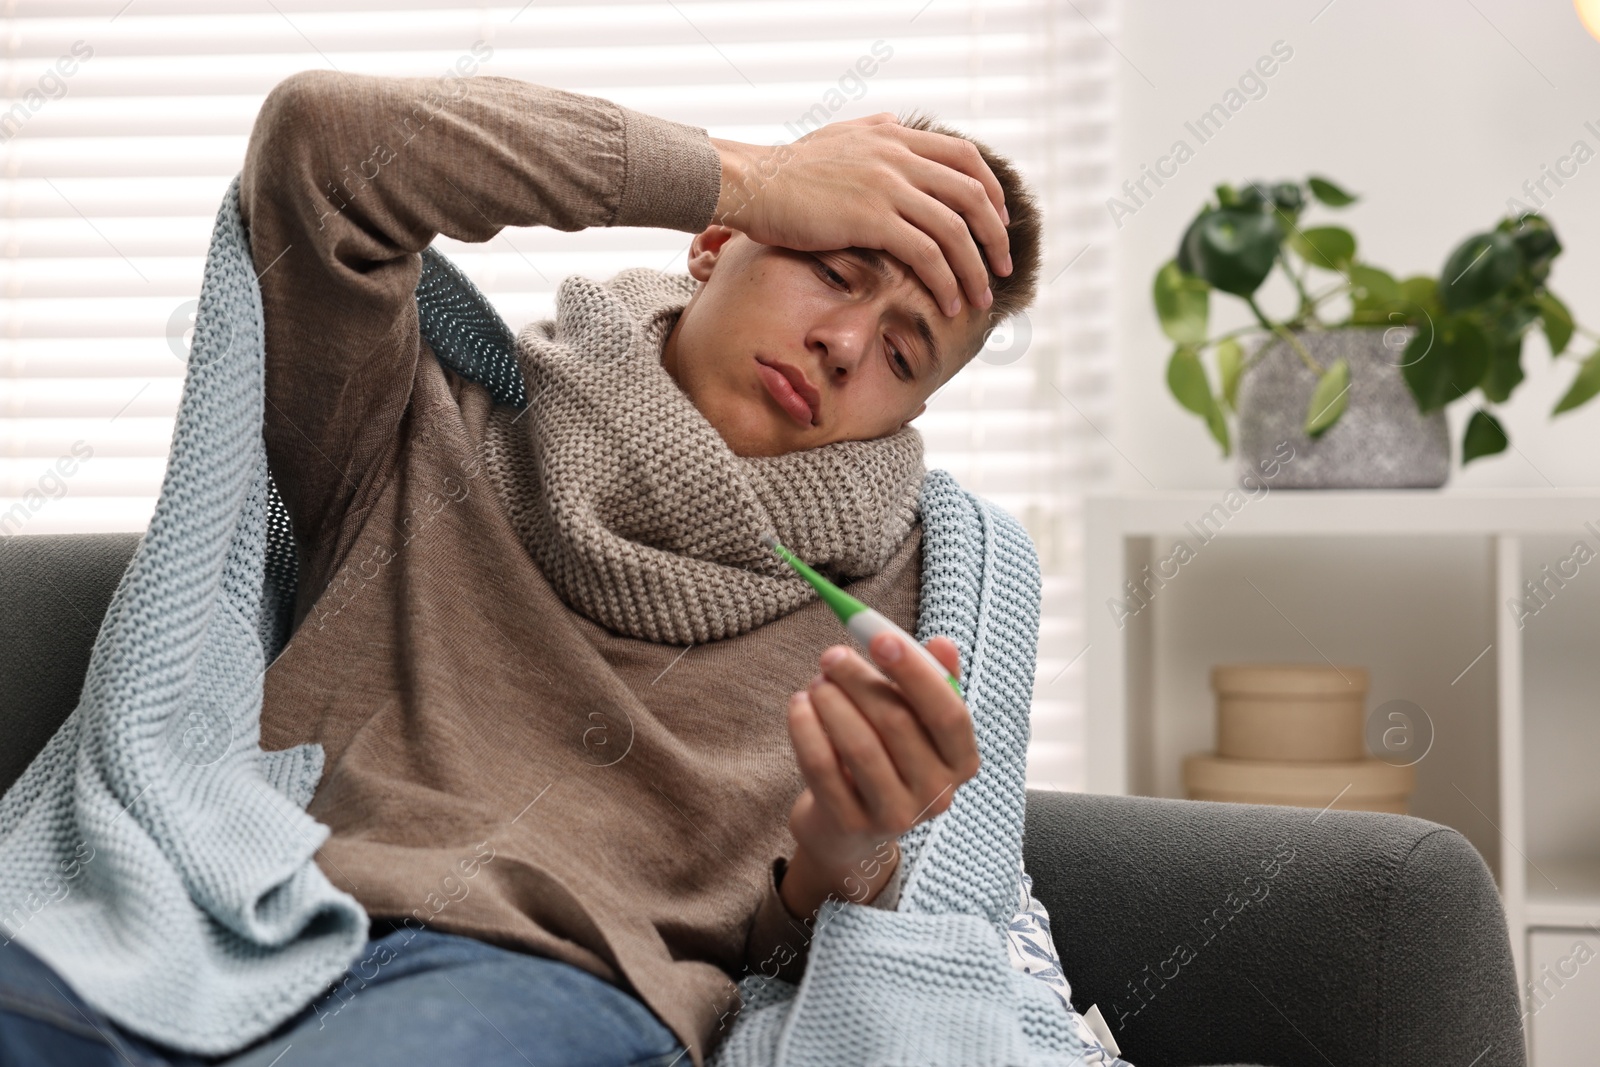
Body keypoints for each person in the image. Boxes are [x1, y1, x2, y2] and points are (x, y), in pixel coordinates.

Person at [0, 67, 1044, 1067]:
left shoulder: (911, 605)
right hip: (232, 914)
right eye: (831, 267)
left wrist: (843, 851)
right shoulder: (418, 420)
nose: (845, 342)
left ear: (913, 409)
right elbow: (322, 146)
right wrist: (756, 174)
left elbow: (769, 970)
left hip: (546, 980)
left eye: (904, 353)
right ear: (717, 241)